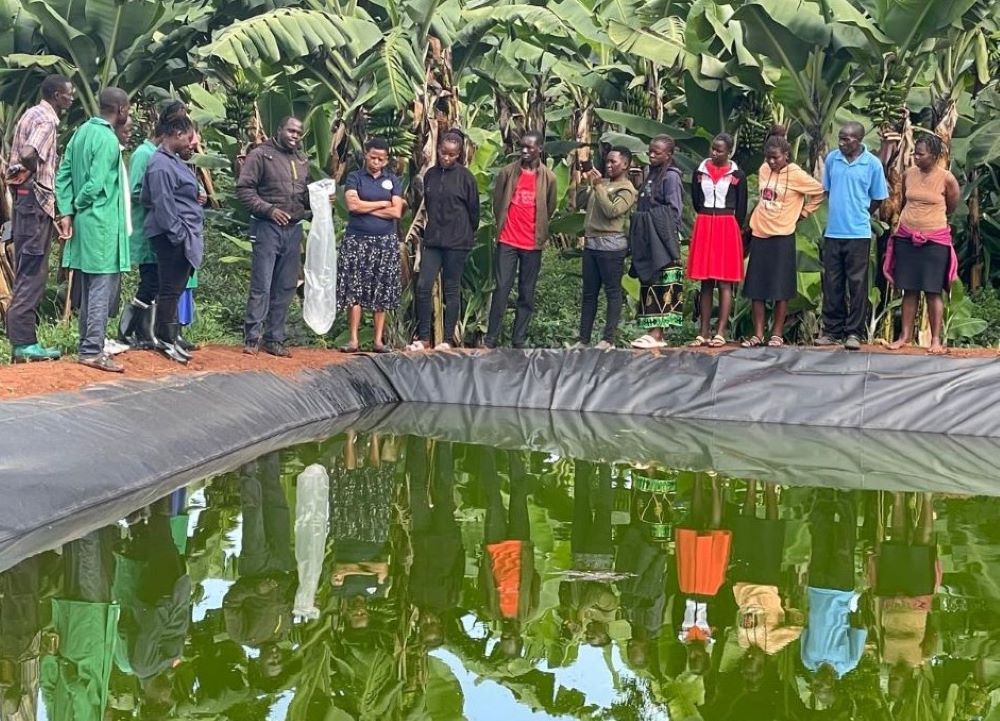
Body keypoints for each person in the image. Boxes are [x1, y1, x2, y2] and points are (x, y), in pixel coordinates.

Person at [55, 87, 131, 373]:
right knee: (100, 287)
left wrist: (67, 212)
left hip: (82, 222)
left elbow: (62, 174)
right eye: (129, 110)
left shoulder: (81, 132)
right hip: (101, 222)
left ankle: (87, 345)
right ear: (120, 110)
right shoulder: (108, 140)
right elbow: (96, 184)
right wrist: (79, 202)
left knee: (88, 287)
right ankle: (91, 350)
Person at [5, 74, 75, 363]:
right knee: (33, 271)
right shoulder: (47, 121)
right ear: (57, 95)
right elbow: (29, 152)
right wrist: (36, 177)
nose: (72, 99)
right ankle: (24, 344)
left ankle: (22, 342)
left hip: (23, 201)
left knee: (26, 266)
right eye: (69, 94)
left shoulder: (29, 114)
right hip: (34, 201)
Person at [742, 126, 825, 347]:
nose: (771, 162)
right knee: (756, 288)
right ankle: (758, 334)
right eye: (768, 158)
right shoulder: (763, 170)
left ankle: (776, 334)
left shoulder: (796, 174)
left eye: (775, 158)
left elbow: (820, 191)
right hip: (760, 233)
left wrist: (804, 212)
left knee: (781, 287)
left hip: (782, 235)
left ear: (786, 156)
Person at [236, 116, 312, 358]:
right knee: (262, 283)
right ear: (279, 130)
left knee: (286, 286)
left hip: (293, 229)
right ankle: (252, 337)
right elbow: (244, 189)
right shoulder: (261, 155)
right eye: (290, 130)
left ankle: (274, 338)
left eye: (298, 133)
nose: (294, 136)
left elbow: (305, 196)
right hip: (266, 228)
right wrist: (269, 210)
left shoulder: (301, 160)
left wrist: (320, 200)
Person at [883, 134, 961, 355]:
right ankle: (904, 336)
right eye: (914, 153)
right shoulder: (908, 174)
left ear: (935, 156)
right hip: (907, 238)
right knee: (909, 289)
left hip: (934, 241)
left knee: (933, 290)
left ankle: (935, 339)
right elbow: (905, 201)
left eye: (921, 154)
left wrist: (929, 223)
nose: (915, 157)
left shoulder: (947, 179)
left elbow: (952, 205)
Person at [817, 122, 889, 350]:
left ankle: (854, 333)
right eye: (840, 138)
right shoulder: (832, 159)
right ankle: (831, 331)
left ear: (859, 140)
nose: (842, 143)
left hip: (858, 233)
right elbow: (827, 190)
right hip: (833, 231)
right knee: (832, 282)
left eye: (847, 139)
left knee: (857, 284)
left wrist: (861, 213)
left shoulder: (873, 164)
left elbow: (878, 197)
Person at [483, 131, 558, 349]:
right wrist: (503, 225)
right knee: (502, 288)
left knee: (527, 292)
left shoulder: (549, 178)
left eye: (530, 148)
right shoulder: (508, 172)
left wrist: (540, 229)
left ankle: (519, 339)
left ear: (539, 150)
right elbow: (498, 204)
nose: (524, 151)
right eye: (522, 147)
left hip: (532, 243)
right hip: (508, 239)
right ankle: (491, 338)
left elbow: (550, 206)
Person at [140, 107, 203, 364]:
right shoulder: (160, 165)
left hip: (181, 232)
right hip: (172, 235)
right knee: (169, 289)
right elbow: (161, 203)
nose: (191, 143)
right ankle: (165, 339)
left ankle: (172, 337)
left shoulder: (171, 159)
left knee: (174, 289)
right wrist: (178, 234)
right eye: (188, 138)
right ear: (176, 134)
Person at [118, 101, 182, 351]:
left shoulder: (161, 156)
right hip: (146, 231)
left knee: (156, 282)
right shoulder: (143, 155)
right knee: (150, 282)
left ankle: (146, 333)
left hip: (158, 231)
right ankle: (126, 330)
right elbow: (134, 191)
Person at [407, 131, 480, 351]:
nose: (446, 158)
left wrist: (465, 232)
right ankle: (423, 338)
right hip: (433, 240)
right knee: (423, 286)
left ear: (458, 155)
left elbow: (474, 212)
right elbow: (427, 205)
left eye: (452, 155)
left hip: (457, 242)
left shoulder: (466, 178)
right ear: (438, 150)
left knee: (451, 288)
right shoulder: (429, 175)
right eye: (443, 153)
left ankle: (447, 339)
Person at [336, 137, 405, 353]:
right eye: (373, 157)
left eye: (381, 159)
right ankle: (354, 340)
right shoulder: (354, 177)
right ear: (366, 155)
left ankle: (378, 341)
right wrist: (383, 203)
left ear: (386, 160)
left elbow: (397, 212)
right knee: (354, 288)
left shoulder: (393, 180)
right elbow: (352, 205)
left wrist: (367, 206)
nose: (376, 162)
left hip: (385, 242)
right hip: (356, 239)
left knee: (381, 289)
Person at [687, 133, 748, 347]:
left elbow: (741, 208)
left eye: (719, 150)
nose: (714, 153)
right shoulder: (699, 172)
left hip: (726, 225)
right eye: (713, 148)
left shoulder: (737, 175)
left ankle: (720, 331)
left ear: (729, 152)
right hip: (705, 222)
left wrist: (731, 224)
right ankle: (702, 332)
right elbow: (696, 200)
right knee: (706, 281)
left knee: (724, 282)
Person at [574, 146, 637, 349]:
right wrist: (586, 182)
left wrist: (599, 187)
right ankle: (583, 340)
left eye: (614, 162)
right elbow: (580, 202)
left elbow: (612, 211)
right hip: (591, 244)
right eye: (607, 162)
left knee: (612, 292)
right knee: (589, 294)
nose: (609, 165)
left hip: (611, 247)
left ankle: (608, 339)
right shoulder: (603, 183)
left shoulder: (627, 189)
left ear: (625, 164)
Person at [629, 135, 685, 350]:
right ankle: (651, 331)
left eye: (657, 152)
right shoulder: (649, 173)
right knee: (649, 281)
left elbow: (674, 210)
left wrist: (654, 224)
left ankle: (657, 331)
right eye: (650, 151)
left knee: (664, 282)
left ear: (668, 155)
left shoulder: (671, 177)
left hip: (662, 238)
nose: (651, 155)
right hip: (647, 238)